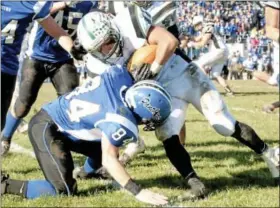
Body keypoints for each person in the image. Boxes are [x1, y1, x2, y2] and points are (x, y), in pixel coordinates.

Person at [77, 10, 279, 199]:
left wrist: (154, 67)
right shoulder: (97, 65)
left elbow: (169, 41)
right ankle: (195, 183)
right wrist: (143, 113)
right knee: (166, 134)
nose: (107, 50)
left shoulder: (128, 21)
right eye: (99, 48)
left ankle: (269, 153)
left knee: (223, 124)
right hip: (161, 91)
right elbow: (117, 98)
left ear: (114, 29)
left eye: (109, 41)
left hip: (182, 73)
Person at [1, 66, 172, 206]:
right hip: (47, 126)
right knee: (62, 191)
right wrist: (138, 191)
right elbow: (109, 160)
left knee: (104, 147)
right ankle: (4, 185)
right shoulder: (120, 119)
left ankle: (87, 173)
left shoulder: (120, 75)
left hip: (66, 124)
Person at [1, 1, 97, 156]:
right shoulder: (40, 3)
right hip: (36, 57)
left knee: (69, 104)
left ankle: (67, 145)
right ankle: (5, 138)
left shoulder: (89, 4)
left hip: (62, 58)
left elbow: (91, 24)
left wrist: (77, 49)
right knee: (23, 105)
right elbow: (42, 9)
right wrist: (64, 3)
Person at [187, 16, 234, 96]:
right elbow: (196, 39)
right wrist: (187, 37)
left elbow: (201, 44)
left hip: (219, 50)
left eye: (197, 24)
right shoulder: (204, 30)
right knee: (215, 75)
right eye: (195, 25)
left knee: (199, 63)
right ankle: (229, 91)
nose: (196, 26)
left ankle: (205, 87)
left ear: (201, 23)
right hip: (222, 52)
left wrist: (192, 44)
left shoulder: (208, 28)